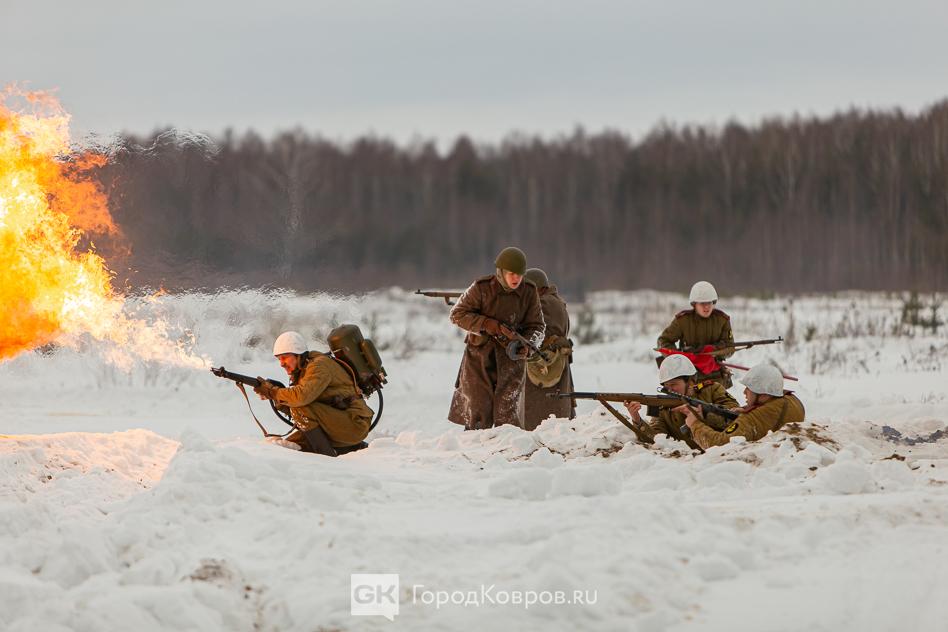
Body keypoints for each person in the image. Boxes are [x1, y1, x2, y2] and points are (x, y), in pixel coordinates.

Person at [448, 247, 545, 430]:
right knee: (478, 415)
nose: (516, 278)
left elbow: (538, 326)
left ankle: (507, 448)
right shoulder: (481, 288)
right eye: (511, 273)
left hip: (512, 359)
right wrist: (486, 324)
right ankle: (476, 447)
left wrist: (528, 345)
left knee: (508, 419)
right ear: (501, 272)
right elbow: (456, 314)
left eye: (519, 274)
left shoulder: (529, 292)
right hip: (479, 359)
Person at [253, 331, 373, 456]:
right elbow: (303, 412)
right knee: (287, 447)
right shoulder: (304, 370)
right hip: (340, 421)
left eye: (285, 357)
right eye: (279, 359)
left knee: (300, 406)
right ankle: (349, 448)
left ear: (298, 355)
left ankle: (327, 457)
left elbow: (301, 398)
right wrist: (277, 397)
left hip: (355, 424)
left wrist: (272, 391)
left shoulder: (319, 366)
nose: (281, 364)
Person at [623, 354, 738, 451]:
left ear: (690, 382)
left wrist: (702, 414)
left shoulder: (712, 389)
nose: (670, 390)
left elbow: (736, 416)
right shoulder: (663, 406)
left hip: (719, 453)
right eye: (666, 386)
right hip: (686, 462)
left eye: (674, 384)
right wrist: (637, 420)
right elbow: (656, 439)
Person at [683, 363, 805, 450]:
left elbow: (719, 445)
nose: (744, 392)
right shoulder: (792, 401)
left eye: (749, 389)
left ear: (763, 395)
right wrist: (746, 410)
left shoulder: (751, 419)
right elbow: (769, 415)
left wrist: (694, 425)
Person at [522, 267, 575, 430]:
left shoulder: (544, 303)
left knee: (540, 415)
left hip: (545, 364)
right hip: (554, 362)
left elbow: (534, 332)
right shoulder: (555, 301)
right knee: (555, 411)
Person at [657, 281, 735, 387]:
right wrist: (680, 358)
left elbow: (730, 347)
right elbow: (663, 341)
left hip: (715, 375)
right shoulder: (683, 320)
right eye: (702, 303)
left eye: (709, 303)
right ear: (694, 304)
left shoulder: (722, 320)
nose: (706, 307)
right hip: (690, 375)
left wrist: (715, 352)